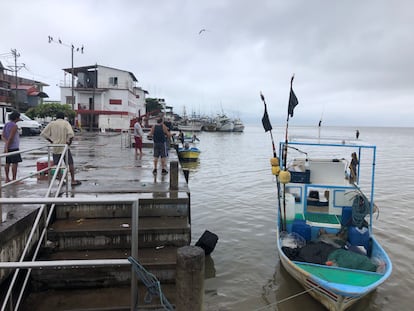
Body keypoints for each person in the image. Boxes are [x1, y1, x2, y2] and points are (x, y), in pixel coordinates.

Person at [40, 112, 82, 186]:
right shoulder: (65, 123)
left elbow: (43, 134)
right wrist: (69, 142)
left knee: (57, 165)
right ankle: (72, 180)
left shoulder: (52, 124)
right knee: (70, 163)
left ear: (56, 117)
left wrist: (51, 141)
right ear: (63, 117)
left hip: (55, 147)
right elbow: (71, 134)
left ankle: (60, 181)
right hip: (64, 147)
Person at [2, 111, 22, 182]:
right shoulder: (14, 126)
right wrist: (7, 146)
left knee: (7, 162)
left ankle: (7, 178)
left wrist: (6, 144)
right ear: (16, 118)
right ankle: (14, 179)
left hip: (8, 147)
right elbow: (11, 137)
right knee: (14, 163)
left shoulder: (6, 124)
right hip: (14, 147)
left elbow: (3, 136)